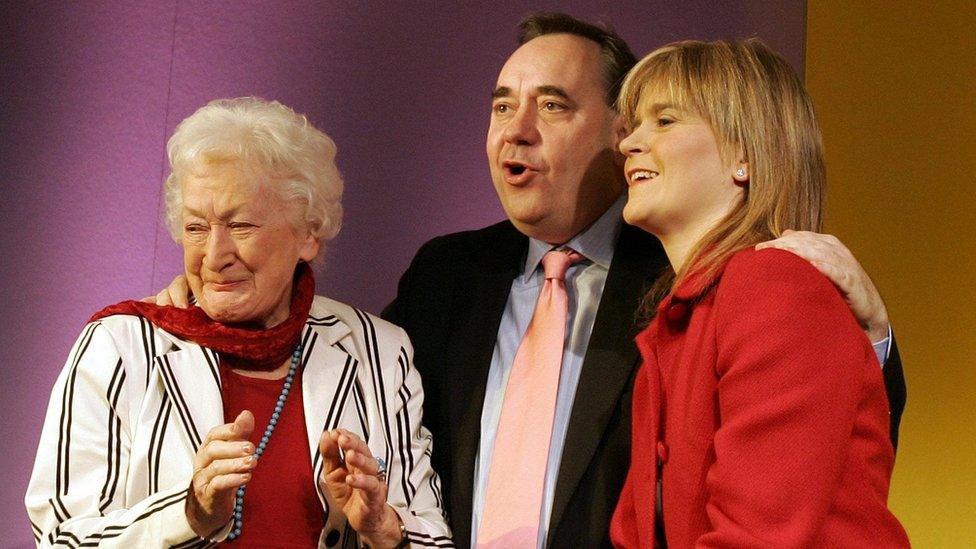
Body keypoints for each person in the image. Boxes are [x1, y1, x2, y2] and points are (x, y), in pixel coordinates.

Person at [153, 14, 905, 548]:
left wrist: (873, 336)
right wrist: (227, 300)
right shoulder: (447, 277)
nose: (517, 128)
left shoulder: (703, 283)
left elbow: (812, 458)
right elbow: (347, 372)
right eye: (502, 105)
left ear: (611, 132)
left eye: (553, 105)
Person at [25, 98, 451, 548]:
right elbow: (61, 538)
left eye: (241, 225)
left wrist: (384, 530)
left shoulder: (379, 352)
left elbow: (431, 534)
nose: (214, 256)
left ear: (308, 232)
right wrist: (190, 514)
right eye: (195, 228)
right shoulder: (120, 347)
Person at [609, 39, 909, 547]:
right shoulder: (681, 321)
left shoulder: (772, 284)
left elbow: (759, 534)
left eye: (665, 121)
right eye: (635, 125)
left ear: (744, 155)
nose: (629, 143)